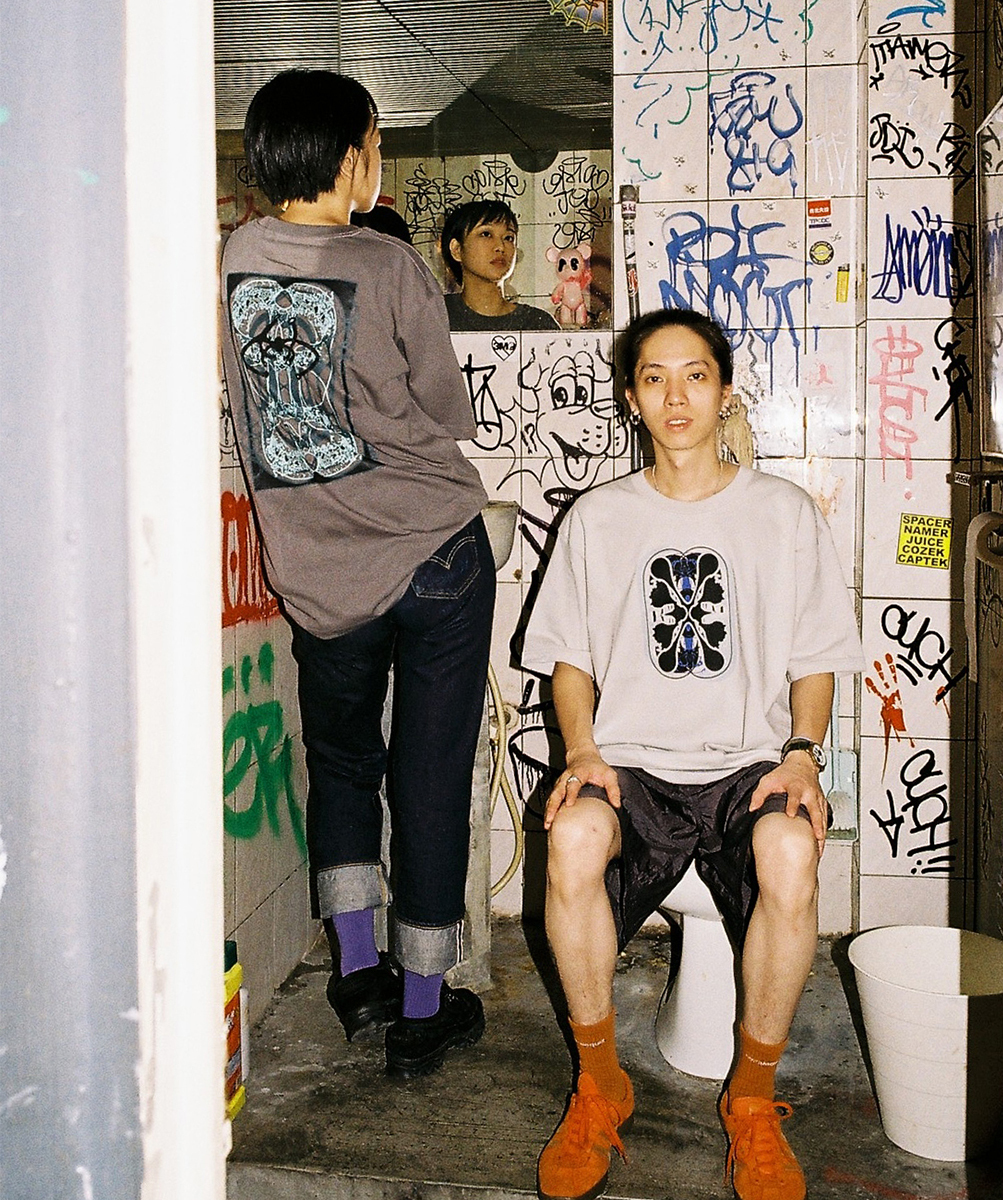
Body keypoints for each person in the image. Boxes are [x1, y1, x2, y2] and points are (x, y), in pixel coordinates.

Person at [521, 308, 864, 1200]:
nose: (675, 397)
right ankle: (599, 1079)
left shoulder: (781, 513)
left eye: (695, 376)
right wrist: (582, 751)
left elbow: (815, 658)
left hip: (748, 763)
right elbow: (569, 661)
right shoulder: (598, 518)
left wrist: (801, 755)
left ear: (724, 391)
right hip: (631, 763)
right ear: (631, 399)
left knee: (788, 849)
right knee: (571, 839)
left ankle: (750, 1097)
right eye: (653, 378)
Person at [219, 68, 495, 1078]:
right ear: (349, 155)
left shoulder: (236, 257)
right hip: (433, 555)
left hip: (318, 575)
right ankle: (422, 1010)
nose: (375, 159)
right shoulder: (386, 262)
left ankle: (356, 974)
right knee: (429, 775)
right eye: (374, 143)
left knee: (341, 764)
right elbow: (445, 410)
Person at [440, 200, 560, 331]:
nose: (500, 247)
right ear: (457, 249)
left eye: (508, 238)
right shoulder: (437, 315)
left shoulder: (536, 323)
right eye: (486, 234)